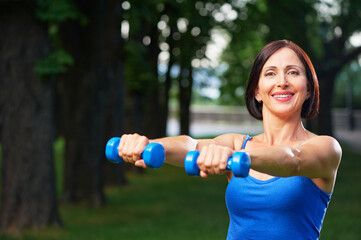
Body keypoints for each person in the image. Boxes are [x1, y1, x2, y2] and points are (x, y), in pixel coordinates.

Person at [117, 40, 342, 240]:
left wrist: (236, 157)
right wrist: (149, 145)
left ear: (309, 89)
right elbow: (193, 145)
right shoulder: (238, 144)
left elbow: (293, 160)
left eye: (293, 72)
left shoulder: (325, 147)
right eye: (270, 73)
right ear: (256, 90)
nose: (282, 82)